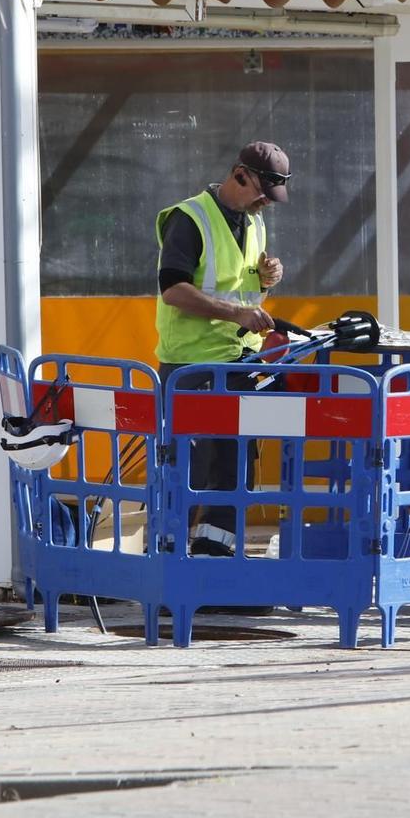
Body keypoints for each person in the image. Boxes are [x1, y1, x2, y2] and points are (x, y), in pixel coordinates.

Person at [156, 141, 290, 557]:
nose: (266, 204)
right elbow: (173, 290)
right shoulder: (190, 218)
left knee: (233, 464)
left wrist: (267, 279)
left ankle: (215, 557)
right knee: (194, 467)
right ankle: (176, 557)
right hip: (192, 366)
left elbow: (241, 285)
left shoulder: (253, 221)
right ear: (239, 174)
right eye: (262, 193)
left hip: (238, 362)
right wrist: (235, 313)